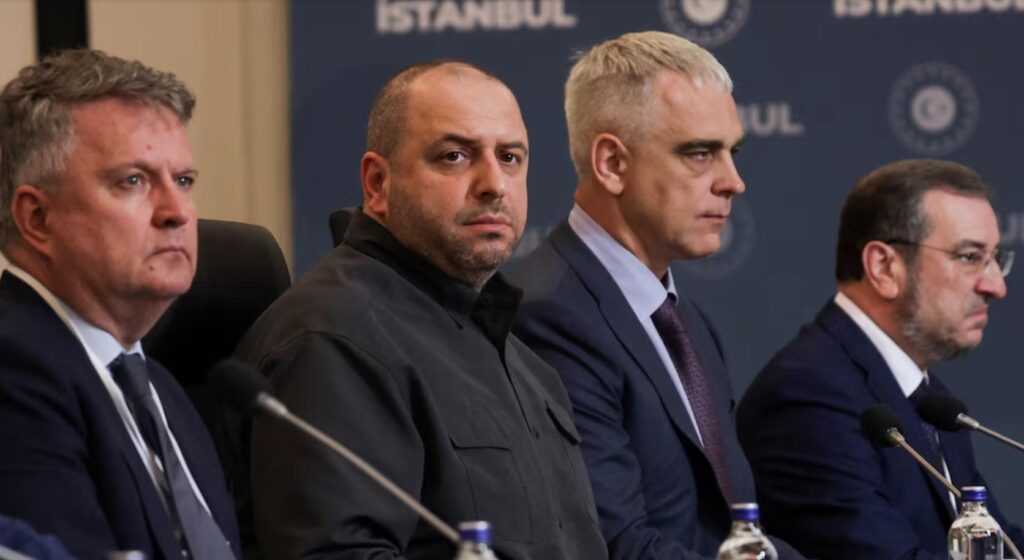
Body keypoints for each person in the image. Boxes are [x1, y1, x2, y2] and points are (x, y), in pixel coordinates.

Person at [236, 59, 606, 559]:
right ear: (378, 183)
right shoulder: (334, 339)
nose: (494, 184)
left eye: (510, 157)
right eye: (455, 156)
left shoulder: (524, 361)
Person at [508, 31, 802, 559]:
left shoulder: (687, 322)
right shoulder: (551, 317)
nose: (733, 181)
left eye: (732, 152)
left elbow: (734, 533)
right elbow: (617, 545)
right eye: (700, 153)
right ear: (612, 164)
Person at [0, 49, 240, 559]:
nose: (176, 212)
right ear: (38, 218)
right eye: (133, 180)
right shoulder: (14, 372)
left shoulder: (161, 390)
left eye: (183, 181)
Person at [736, 159, 1024, 559]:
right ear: (884, 267)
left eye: (995, 259)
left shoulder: (930, 400)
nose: (996, 286)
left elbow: (999, 546)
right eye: (970, 257)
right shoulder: (807, 397)